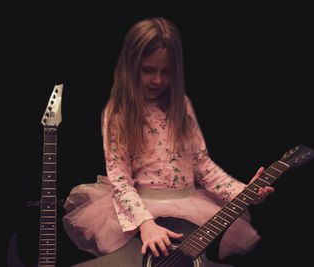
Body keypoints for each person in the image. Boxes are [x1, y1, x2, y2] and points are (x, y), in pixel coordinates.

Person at [62, 17, 274, 263]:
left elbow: (202, 164)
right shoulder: (119, 112)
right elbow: (119, 180)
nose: (158, 81)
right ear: (131, 66)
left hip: (191, 207)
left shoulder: (181, 106)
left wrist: (243, 191)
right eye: (148, 70)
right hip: (142, 212)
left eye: (166, 71)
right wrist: (145, 224)